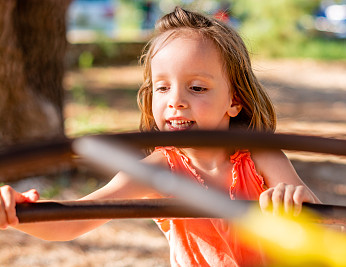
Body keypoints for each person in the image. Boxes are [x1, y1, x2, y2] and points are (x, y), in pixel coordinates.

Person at [0, 7, 320, 266]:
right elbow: (74, 219)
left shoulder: (261, 157)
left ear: (235, 101)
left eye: (197, 88)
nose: (175, 101)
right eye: (162, 87)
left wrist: (298, 202)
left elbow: (330, 228)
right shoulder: (157, 171)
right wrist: (16, 213)